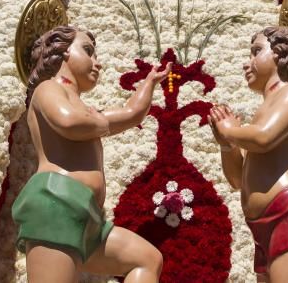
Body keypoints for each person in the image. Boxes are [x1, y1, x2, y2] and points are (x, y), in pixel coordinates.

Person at [13, 25, 171, 283]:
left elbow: (132, 113)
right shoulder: (49, 89)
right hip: (57, 202)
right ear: (62, 53)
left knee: (146, 260)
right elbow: (69, 122)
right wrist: (103, 123)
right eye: (88, 51)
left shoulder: (87, 110)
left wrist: (150, 82)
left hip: (88, 216)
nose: (97, 63)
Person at [208, 26, 288, 282]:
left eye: (256, 51)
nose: (247, 62)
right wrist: (227, 144)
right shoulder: (264, 109)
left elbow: (264, 138)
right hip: (262, 224)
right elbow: (237, 180)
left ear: (282, 54)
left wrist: (232, 130)